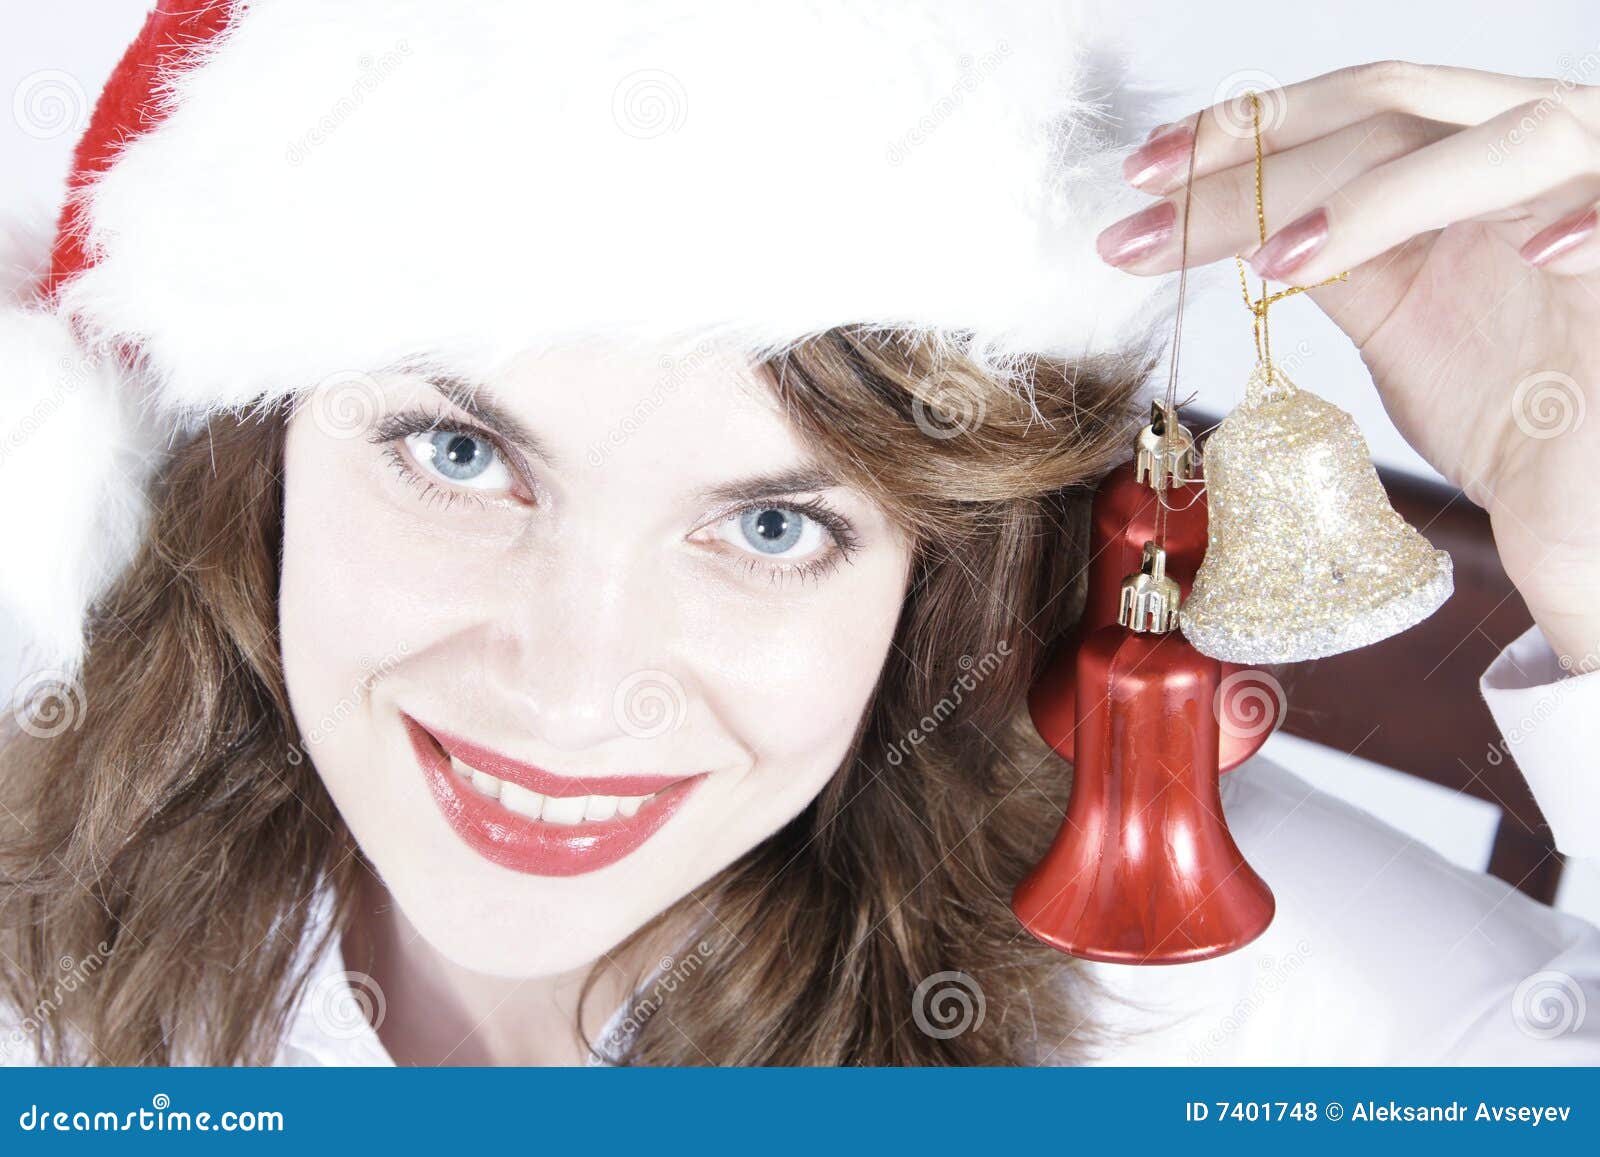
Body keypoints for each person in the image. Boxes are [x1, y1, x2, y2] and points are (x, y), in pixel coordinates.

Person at [1, 2, 1596, 1066]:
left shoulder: (1210, 985)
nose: (575, 688)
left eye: (770, 523)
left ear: (927, 575)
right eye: (459, 450)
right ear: (256, 453)